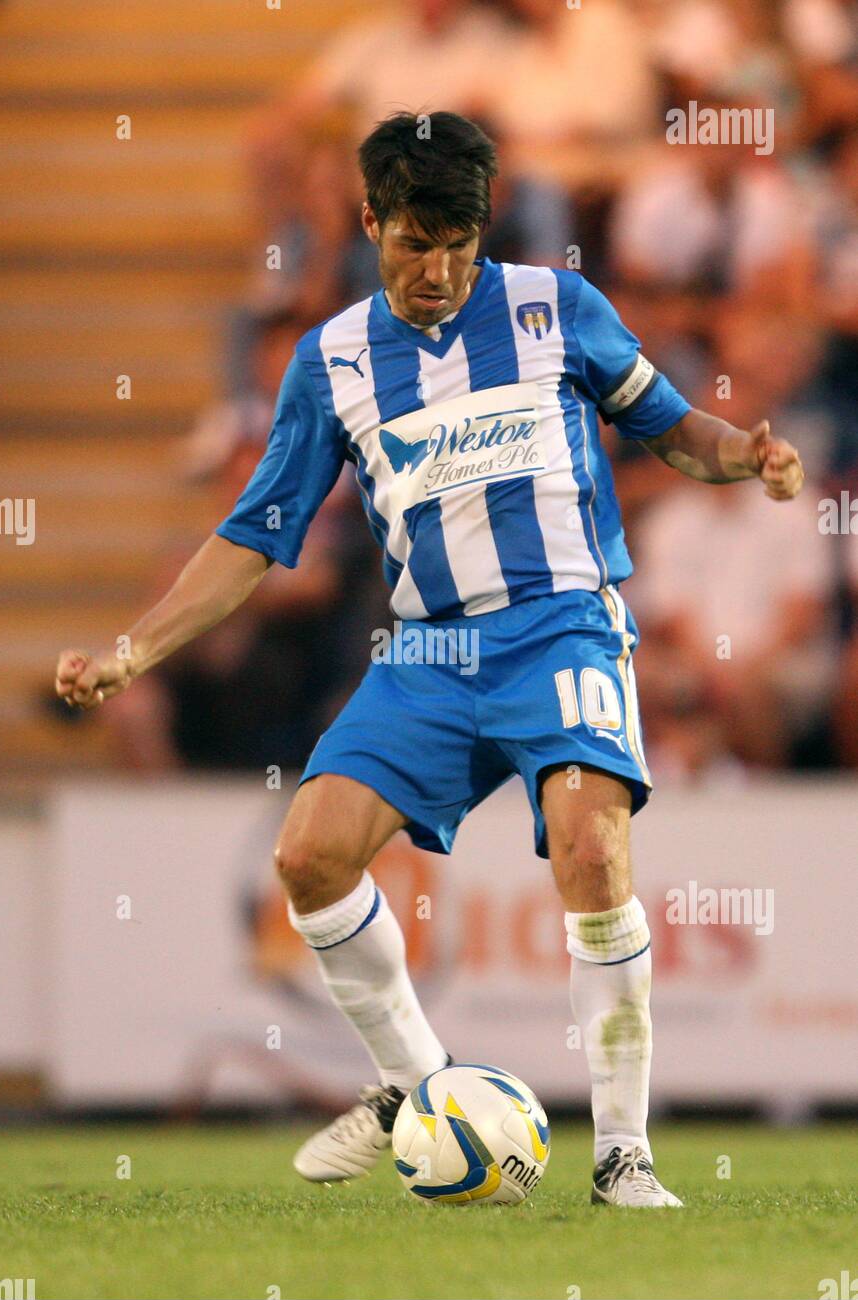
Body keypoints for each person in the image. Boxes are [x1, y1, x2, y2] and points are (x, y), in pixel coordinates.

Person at [55, 112, 805, 1208]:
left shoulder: (556, 308)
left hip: (560, 623)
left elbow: (673, 425)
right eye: (413, 243)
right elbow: (255, 534)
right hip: (431, 648)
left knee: (591, 853)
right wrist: (135, 650)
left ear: (482, 226)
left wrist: (746, 453)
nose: (439, 270)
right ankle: (414, 1089)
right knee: (309, 855)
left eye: (458, 242)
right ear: (369, 225)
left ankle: (622, 1155)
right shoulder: (335, 359)